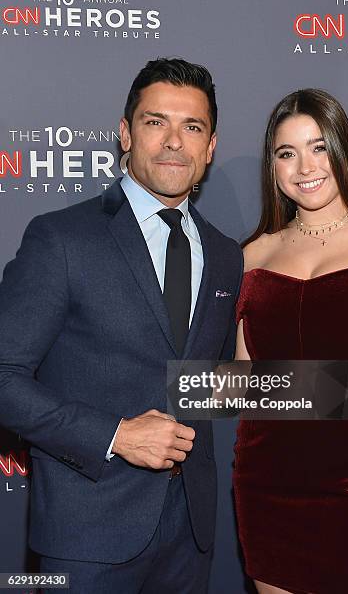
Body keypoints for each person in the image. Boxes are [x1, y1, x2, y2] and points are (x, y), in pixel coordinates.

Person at [0, 58, 243, 593]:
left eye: (193, 127)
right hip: (87, 536)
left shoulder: (227, 256)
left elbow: (219, 385)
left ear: (211, 145)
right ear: (125, 133)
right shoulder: (62, 238)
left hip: (191, 536)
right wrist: (115, 436)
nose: (174, 141)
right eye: (156, 121)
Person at [233, 88, 348, 594]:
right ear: (273, 167)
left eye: (319, 147)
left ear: (345, 153)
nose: (304, 166)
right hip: (266, 482)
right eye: (286, 152)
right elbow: (245, 382)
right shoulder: (251, 256)